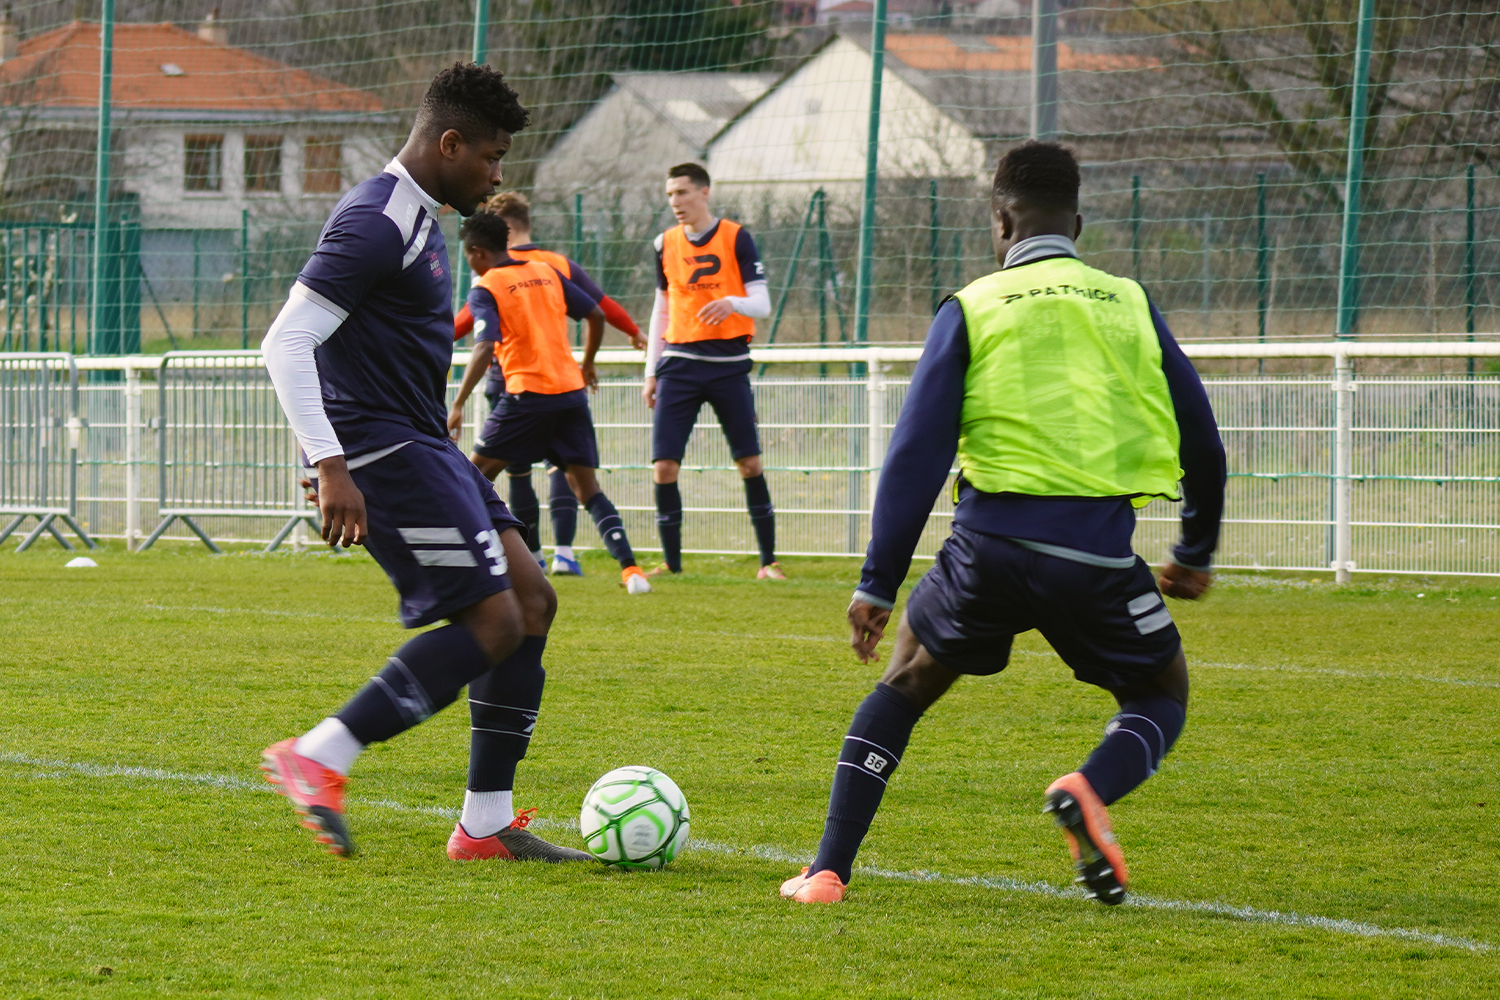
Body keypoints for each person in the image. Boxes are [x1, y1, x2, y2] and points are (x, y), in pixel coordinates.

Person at [780, 141, 1226, 905]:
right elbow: (1204, 443)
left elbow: (916, 457)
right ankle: (1089, 789)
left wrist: (878, 585)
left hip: (986, 550)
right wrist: (1192, 550)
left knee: (908, 678)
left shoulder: (974, 304)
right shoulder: (1129, 303)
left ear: (1000, 221)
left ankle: (826, 870)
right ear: (1077, 222)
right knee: (1160, 696)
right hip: (1094, 552)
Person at [258, 63, 592, 864]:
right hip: (382, 450)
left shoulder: (418, 217)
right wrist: (331, 464)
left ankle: (484, 824)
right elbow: (286, 341)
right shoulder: (376, 219)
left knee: (531, 599)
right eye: (490, 155)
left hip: (423, 443)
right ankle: (321, 754)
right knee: (492, 620)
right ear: (449, 143)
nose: (498, 173)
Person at [447, 210, 652, 595]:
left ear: (476, 253)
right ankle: (631, 571)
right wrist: (587, 362)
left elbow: (484, 345)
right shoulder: (545, 271)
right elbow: (594, 313)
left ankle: (476, 566)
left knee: (470, 481)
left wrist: (457, 402)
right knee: (587, 488)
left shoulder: (487, 286)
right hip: (570, 393)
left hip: (526, 395)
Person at [643, 162, 781, 579]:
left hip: (728, 367)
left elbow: (762, 303)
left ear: (704, 193)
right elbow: (661, 309)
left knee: (750, 464)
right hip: (679, 365)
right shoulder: (663, 243)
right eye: (670, 195)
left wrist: (732, 303)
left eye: (682, 192)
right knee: (664, 466)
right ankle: (672, 563)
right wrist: (650, 370)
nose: (675, 202)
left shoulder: (736, 237)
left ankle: (767, 563)